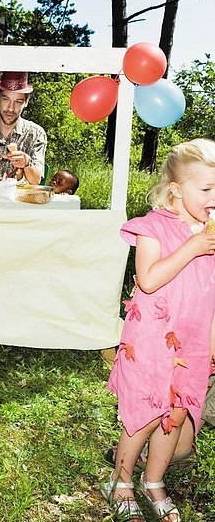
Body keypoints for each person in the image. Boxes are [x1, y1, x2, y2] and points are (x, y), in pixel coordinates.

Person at [102, 138, 215, 522]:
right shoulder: (152, 228)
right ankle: (119, 478)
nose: (214, 197)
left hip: (194, 340)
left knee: (177, 412)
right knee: (148, 411)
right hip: (152, 338)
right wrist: (194, 246)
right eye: (206, 189)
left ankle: (153, 481)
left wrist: (211, 343)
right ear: (175, 190)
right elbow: (148, 280)